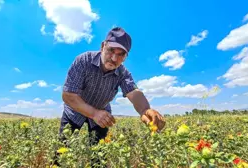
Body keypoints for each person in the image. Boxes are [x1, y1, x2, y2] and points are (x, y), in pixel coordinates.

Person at [54, 27, 166, 166]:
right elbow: (68, 95)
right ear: (103, 46)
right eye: (111, 50)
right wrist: (93, 113)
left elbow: (133, 92)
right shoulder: (83, 61)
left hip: (102, 115)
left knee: (99, 155)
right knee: (61, 153)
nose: (114, 58)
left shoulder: (123, 73)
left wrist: (145, 110)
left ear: (126, 56)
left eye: (121, 54)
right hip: (74, 111)